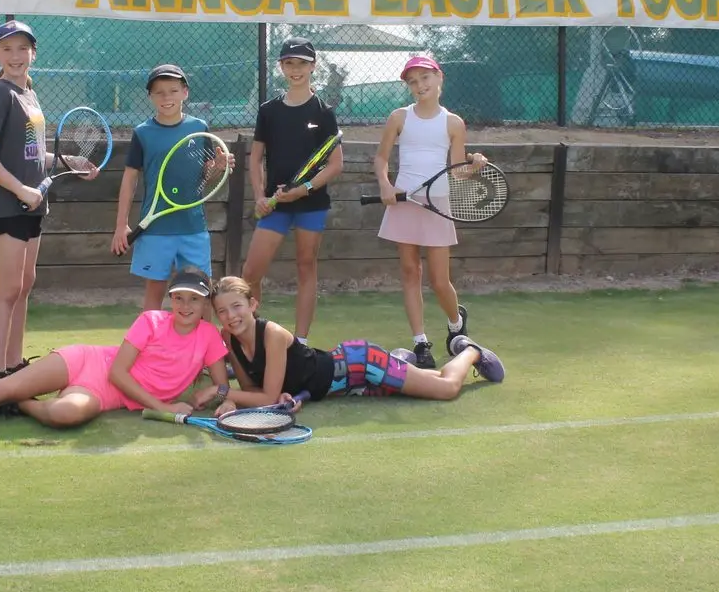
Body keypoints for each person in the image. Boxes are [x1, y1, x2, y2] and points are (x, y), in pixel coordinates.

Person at [0, 269, 231, 438]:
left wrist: (219, 396)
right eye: (178, 297)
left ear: (205, 305)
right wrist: (165, 407)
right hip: (90, 363)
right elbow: (118, 373)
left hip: (104, 396)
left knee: (64, 414)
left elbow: (222, 383)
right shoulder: (151, 320)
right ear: (170, 300)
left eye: (194, 300)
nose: (184, 306)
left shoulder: (210, 337)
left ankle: (20, 403)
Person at [0, 20, 99, 396]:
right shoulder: (1, 95)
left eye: (22, 48)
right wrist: (20, 189)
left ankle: (14, 366)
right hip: (4, 204)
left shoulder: (30, 96)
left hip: (31, 205)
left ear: (33, 53)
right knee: (8, 287)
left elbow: (28, 154)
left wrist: (68, 160)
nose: (15, 56)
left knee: (24, 286)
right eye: (7, 49)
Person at [209, 276, 502, 413]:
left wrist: (221, 392)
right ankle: (399, 360)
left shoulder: (270, 333)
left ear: (253, 304)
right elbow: (252, 391)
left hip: (361, 365)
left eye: (237, 307)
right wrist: (235, 398)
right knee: (432, 378)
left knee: (446, 388)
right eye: (222, 311)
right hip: (347, 385)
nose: (231, 317)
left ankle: (470, 351)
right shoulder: (228, 339)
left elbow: (268, 397)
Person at [373, 55, 488, 370]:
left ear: (439, 79)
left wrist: (473, 164)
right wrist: (385, 186)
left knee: (439, 280)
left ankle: (455, 322)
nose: (419, 85)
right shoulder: (399, 117)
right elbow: (381, 159)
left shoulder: (453, 123)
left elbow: (457, 172)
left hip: (436, 205)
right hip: (404, 203)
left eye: (425, 78)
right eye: (413, 81)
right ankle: (420, 342)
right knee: (411, 273)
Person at [241, 37, 344, 342]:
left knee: (305, 266)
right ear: (281, 67)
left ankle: (300, 342)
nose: (295, 69)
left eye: (302, 63)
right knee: (250, 274)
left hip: (311, 205)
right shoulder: (269, 110)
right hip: (276, 206)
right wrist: (260, 195)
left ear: (313, 67)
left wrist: (305, 189)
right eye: (289, 63)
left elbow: (336, 164)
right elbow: (256, 157)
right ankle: (253, 339)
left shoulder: (324, 112)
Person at [111, 63, 232, 312]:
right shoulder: (143, 133)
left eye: (173, 90)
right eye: (160, 92)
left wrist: (219, 167)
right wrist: (121, 225)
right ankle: (150, 350)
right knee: (154, 298)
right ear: (150, 97)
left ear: (185, 93)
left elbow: (205, 178)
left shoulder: (199, 128)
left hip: (193, 228)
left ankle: (206, 352)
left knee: (201, 296)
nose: (167, 97)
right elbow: (130, 179)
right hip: (155, 230)